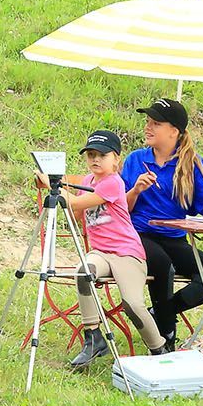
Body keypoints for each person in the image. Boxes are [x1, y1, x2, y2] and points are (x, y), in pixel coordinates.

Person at [121, 98, 203, 350]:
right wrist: (135, 190)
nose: (148, 127)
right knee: (163, 265)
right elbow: (120, 208)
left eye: (155, 123)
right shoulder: (136, 160)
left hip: (174, 237)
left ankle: (161, 312)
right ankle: (165, 339)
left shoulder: (191, 163)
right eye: (148, 121)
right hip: (139, 234)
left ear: (174, 131)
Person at [57, 130, 168, 368]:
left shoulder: (113, 183)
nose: (95, 159)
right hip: (100, 253)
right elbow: (77, 212)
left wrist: (53, 185)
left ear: (116, 159)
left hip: (126, 253)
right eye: (91, 155)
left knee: (132, 304)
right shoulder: (87, 182)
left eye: (102, 155)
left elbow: (75, 201)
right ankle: (93, 337)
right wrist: (68, 203)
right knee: (84, 272)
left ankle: (159, 349)